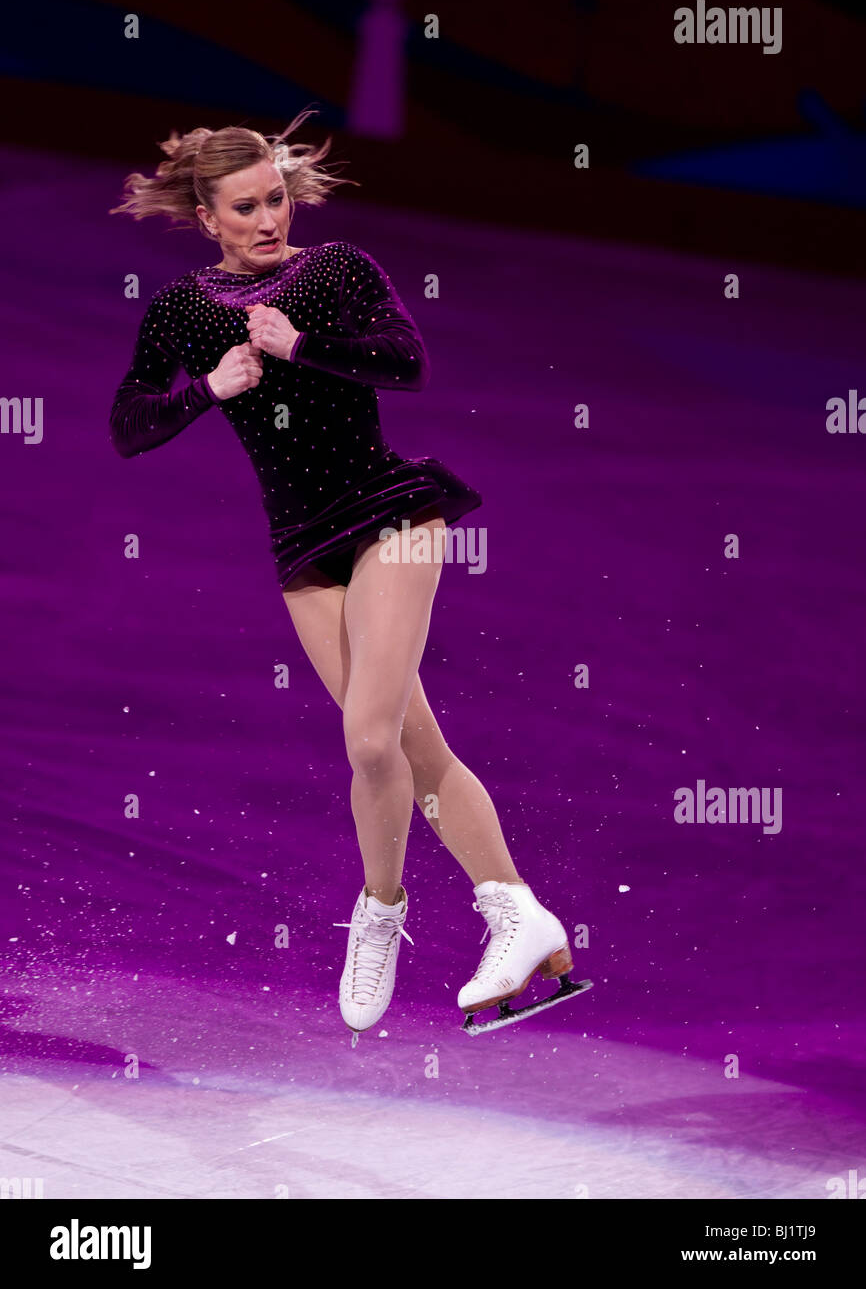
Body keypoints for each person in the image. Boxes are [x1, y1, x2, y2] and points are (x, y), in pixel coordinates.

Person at [108, 108, 574, 1042]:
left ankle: (381, 912)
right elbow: (129, 425)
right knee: (413, 748)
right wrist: (210, 388)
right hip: (304, 550)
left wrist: (299, 347)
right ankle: (526, 922)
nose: (268, 218)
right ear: (208, 218)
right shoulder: (183, 310)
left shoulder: (339, 271)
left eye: (275, 198)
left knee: (369, 739)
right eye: (244, 208)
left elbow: (409, 362)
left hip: (391, 511)